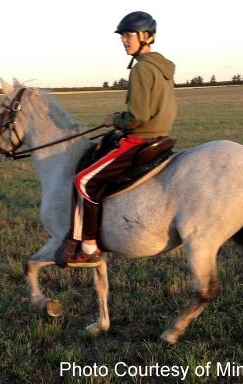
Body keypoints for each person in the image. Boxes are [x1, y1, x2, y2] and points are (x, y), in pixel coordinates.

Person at [55, 11, 178, 268]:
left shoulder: (142, 69)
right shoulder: (162, 67)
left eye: (129, 34)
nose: (124, 40)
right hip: (161, 135)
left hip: (140, 140)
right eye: (122, 36)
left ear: (146, 36)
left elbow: (138, 116)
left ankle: (88, 247)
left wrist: (116, 120)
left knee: (83, 180)